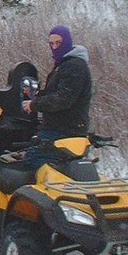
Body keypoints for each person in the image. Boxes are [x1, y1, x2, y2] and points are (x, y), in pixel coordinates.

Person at [22, 25, 93, 165]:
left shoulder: (73, 66)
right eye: (51, 43)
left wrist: (34, 104)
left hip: (64, 129)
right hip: (60, 126)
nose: (54, 47)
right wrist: (37, 95)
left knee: (32, 162)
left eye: (58, 43)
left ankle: (43, 186)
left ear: (67, 42)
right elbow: (57, 93)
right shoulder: (64, 64)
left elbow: (63, 98)